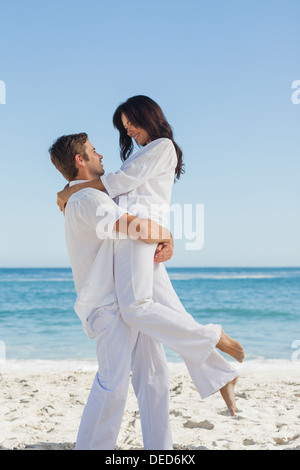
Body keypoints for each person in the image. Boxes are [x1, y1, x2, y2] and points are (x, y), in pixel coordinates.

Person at [50, 133, 175, 450]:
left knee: (154, 376)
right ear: (80, 159)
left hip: (127, 300)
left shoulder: (85, 197)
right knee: (113, 383)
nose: (101, 156)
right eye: (93, 151)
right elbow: (137, 228)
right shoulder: (87, 200)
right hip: (107, 306)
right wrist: (168, 236)